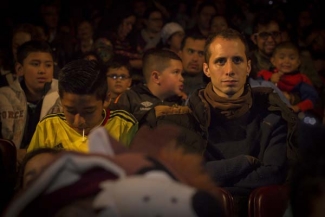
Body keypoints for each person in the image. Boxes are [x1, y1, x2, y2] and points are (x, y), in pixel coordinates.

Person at [187, 28, 295, 213]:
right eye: (220, 61)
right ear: (207, 69)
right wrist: (245, 162)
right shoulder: (187, 118)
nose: (229, 70)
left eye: (237, 60)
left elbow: (273, 174)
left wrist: (218, 179)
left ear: (248, 67)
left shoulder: (273, 117)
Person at [27, 59, 138, 153]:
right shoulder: (49, 127)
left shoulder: (125, 126)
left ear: (106, 99)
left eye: (89, 111)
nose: (78, 121)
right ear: (61, 100)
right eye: (70, 110)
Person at [0, 40, 60, 163]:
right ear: (19, 69)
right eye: (35, 64)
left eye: (48, 65)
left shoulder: (62, 97)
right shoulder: (4, 97)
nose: (42, 70)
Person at [111, 48, 185, 127]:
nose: (182, 78)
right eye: (176, 72)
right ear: (156, 77)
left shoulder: (181, 102)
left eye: (181, 73)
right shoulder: (129, 98)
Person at [257, 41, 319, 113]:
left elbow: (312, 98)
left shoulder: (301, 80)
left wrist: (297, 107)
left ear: (298, 62)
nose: (287, 61)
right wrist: (270, 81)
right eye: (282, 57)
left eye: (292, 58)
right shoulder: (265, 74)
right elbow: (254, 90)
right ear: (273, 61)